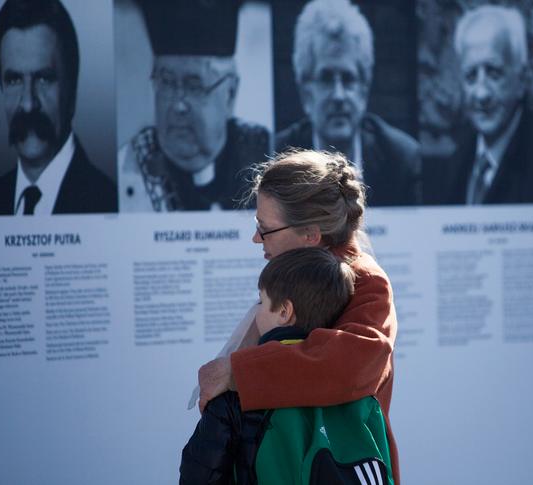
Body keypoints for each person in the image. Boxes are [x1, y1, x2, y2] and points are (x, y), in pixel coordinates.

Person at [196, 149, 400, 483]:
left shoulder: (365, 280)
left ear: (311, 235)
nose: (256, 238)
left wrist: (239, 373)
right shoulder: (296, 271)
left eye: (266, 228)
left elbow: (355, 361)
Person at [180, 246, 394, 484]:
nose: (257, 311)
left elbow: (199, 474)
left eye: (261, 301)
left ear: (284, 311)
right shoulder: (361, 394)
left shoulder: (237, 391)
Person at [118, 0, 270, 212]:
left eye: (195, 86)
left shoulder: (264, 157)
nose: (178, 106)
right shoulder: (125, 168)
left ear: (230, 94)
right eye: (167, 83)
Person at [0, 0, 117, 216]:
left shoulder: (109, 202)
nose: (28, 104)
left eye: (44, 79)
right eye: (14, 80)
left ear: (72, 88)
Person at [275, 0, 421, 207]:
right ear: (305, 91)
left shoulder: (402, 160)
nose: (339, 95)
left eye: (348, 78)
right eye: (326, 79)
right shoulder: (278, 159)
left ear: (364, 87)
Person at [424, 5, 533, 205]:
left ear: (522, 79)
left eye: (494, 73)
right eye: (471, 76)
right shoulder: (456, 161)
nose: (481, 93)